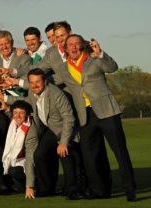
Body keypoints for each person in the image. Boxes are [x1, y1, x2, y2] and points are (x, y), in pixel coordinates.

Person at [56, 34, 137, 201]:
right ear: (65, 49)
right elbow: (44, 81)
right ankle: (99, 191)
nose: (73, 47)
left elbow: (112, 67)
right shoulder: (63, 69)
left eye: (77, 43)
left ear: (82, 45)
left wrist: (100, 53)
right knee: (91, 156)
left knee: (120, 152)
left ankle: (130, 189)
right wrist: (16, 81)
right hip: (85, 116)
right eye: (70, 44)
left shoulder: (94, 59)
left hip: (107, 111)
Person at [0, 69, 79, 199]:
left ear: (45, 81)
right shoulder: (32, 91)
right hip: (50, 129)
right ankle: (46, 189)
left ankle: (72, 190)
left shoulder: (56, 94)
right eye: (32, 82)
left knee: (65, 153)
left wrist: (63, 142)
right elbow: (22, 100)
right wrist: (5, 100)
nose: (34, 85)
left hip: (64, 129)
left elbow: (69, 119)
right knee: (39, 155)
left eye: (37, 82)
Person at [0, 100, 38, 199]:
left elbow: (30, 158)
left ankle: (25, 186)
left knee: (14, 171)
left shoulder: (31, 131)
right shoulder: (13, 120)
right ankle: (1, 186)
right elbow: (10, 113)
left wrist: (30, 186)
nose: (18, 116)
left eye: (22, 113)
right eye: (15, 113)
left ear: (27, 114)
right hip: (13, 157)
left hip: (25, 162)